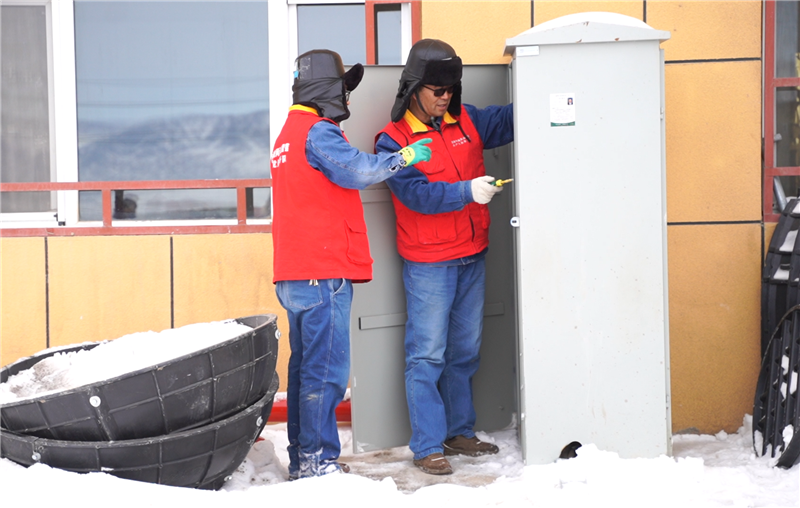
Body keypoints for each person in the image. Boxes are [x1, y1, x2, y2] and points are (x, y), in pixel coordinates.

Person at [271, 49, 432, 480]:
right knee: (325, 372)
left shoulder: (287, 133)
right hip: (322, 272)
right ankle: (318, 462)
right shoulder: (317, 131)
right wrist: (403, 158)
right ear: (325, 89)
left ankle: (306, 458)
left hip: (296, 271)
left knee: (306, 370)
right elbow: (357, 170)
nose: (347, 96)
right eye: (344, 87)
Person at [374, 39, 514, 475]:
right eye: (437, 89)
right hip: (429, 263)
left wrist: (556, 82)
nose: (445, 96)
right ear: (414, 88)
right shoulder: (392, 141)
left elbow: (514, 117)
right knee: (427, 355)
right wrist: (465, 191)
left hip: (472, 254)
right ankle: (428, 445)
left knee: (465, 352)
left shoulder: (467, 119)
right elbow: (415, 194)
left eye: (450, 87)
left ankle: (458, 432)